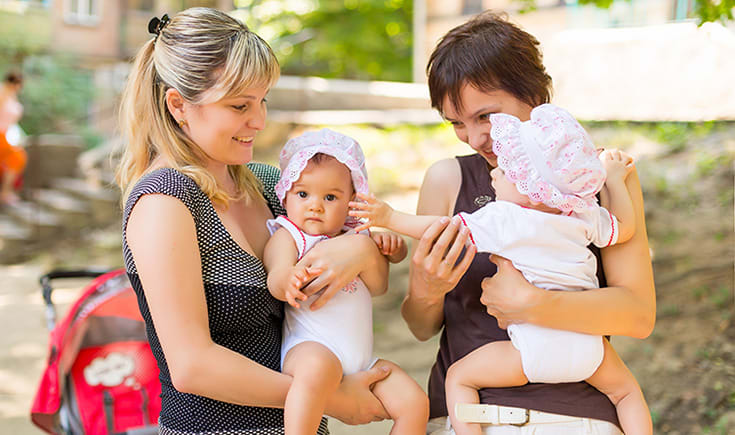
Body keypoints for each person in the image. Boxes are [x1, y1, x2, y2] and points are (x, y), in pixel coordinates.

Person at [117, 8, 394, 434]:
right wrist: (331, 396)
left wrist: (361, 246)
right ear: (179, 105)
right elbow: (191, 366)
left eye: (262, 100)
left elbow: (344, 246)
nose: (259, 120)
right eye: (239, 105)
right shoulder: (164, 202)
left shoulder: (268, 184)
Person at [397, 11, 656, 435]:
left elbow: (637, 315)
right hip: (466, 419)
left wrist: (534, 304)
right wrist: (426, 289)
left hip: (576, 419)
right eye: (456, 123)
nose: (474, 138)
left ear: (536, 97)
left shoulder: (599, 177)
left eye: (485, 116)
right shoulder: (448, 179)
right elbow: (421, 327)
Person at [350, 104, 651, 435]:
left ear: (532, 195)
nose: (494, 173)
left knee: (460, 377)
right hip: (589, 349)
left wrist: (390, 218)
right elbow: (624, 226)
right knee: (627, 392)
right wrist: (617, 179)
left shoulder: (506, 218)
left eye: (507, 172)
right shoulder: (582, 215)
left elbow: (443, 228)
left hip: (530, 351)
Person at [263, 128, 429, 434]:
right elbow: (275, 275)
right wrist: (289, 277)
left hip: (361, 361)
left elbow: (379, 283)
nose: (315, 205)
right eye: (303, 194)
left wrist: (393, 249)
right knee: (315, 371)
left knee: (414, 402)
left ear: (352, 201)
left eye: (330, 196)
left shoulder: (357, 237)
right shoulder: (290, 235)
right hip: (311, 348)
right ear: (285, 193)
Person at [0, 71, 27, 205]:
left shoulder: (12, 96)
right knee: (17, 157)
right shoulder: (2, 93)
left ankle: (6, 191)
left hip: (7, 135)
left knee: (16, 159)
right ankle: (5, 192)